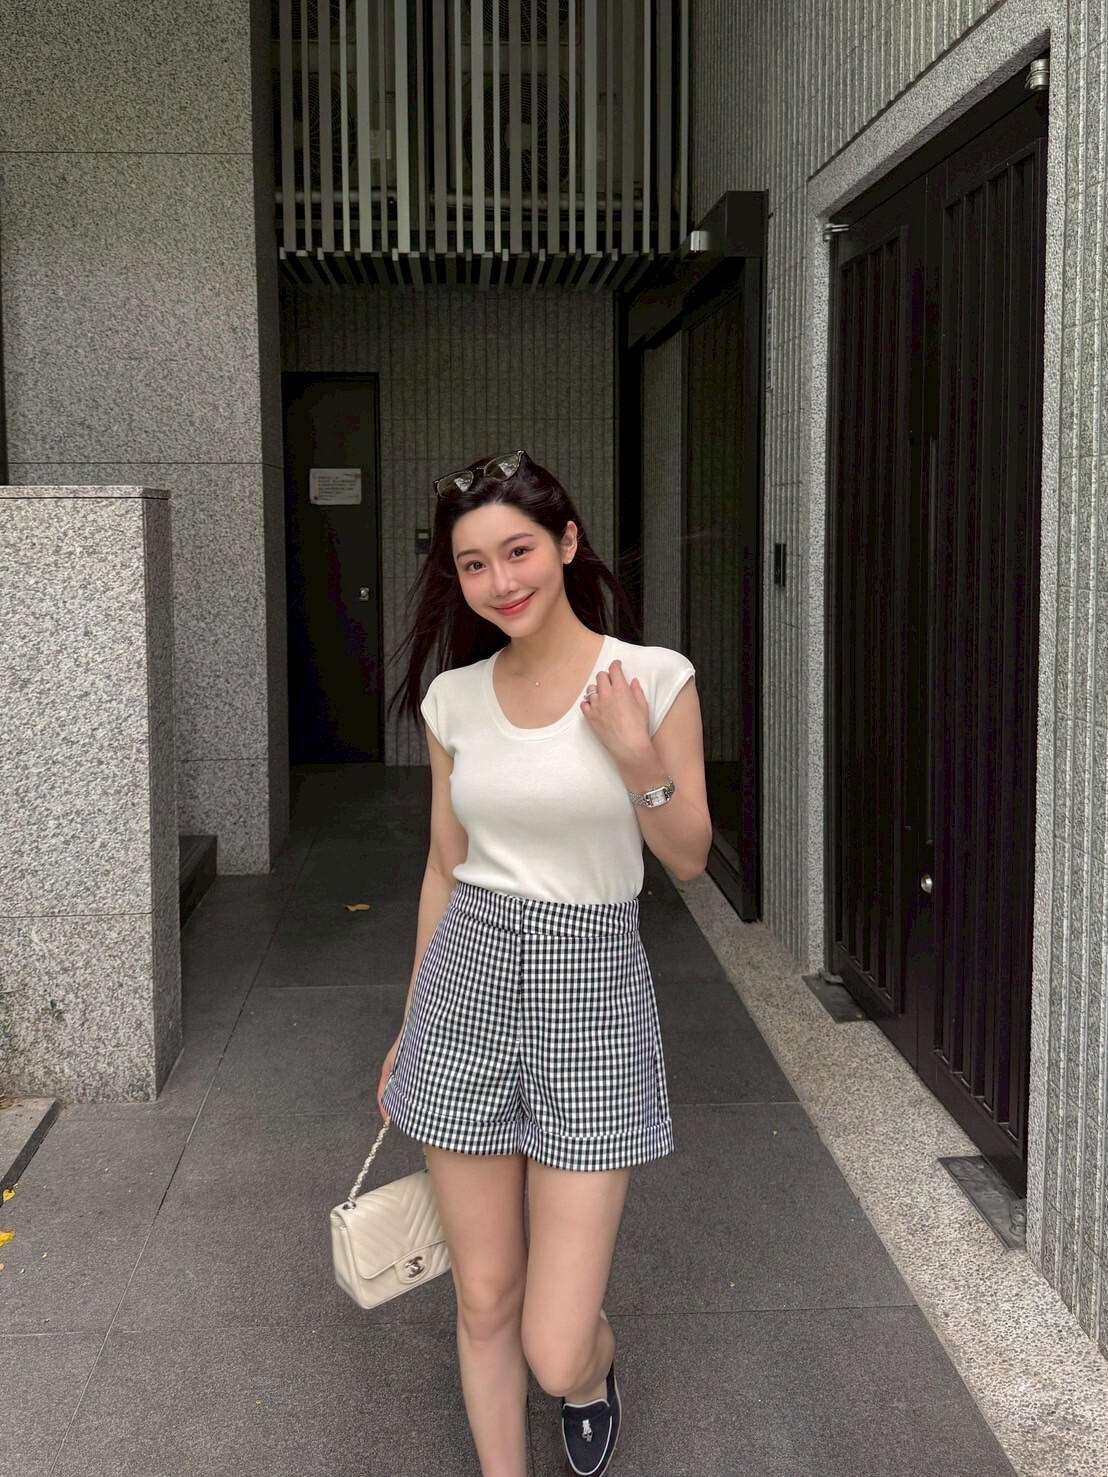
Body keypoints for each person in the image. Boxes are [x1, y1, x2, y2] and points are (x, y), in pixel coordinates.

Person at [376, 449, 711, 1477]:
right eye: (472, 564)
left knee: (555, 1345)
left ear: (567, 542)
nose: (500, 581)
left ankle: (592, 1372)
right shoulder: (453, 700)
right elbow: (445, 866)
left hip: (591, 990)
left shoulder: (651, 678)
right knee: (484, 1296)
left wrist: (636, 755)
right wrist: (409, 1023)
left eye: (517, 550)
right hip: (465, 985)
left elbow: (688, 858)